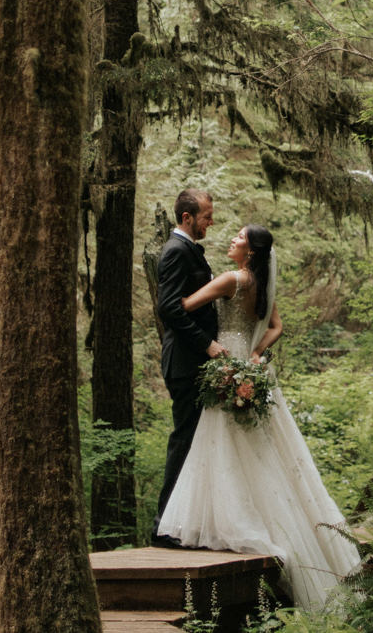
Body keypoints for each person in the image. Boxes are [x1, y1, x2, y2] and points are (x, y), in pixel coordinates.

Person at [155, 223, 362, 610]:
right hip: (249, 368)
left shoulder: (233, 279)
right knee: (265, 450)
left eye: (238, 238)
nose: (231, 240)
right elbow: (277, 326)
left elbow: (181, 307)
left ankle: (230, 522)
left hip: (223, 363)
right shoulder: (263, 284)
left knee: (223, 445)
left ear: (249, 251)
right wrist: (254, 353)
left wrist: (218, 343)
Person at [152, 187, 223, 546]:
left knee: (195, 442)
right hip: (185, 362)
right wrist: (208, 345)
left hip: (192, 362)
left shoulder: (189, 250)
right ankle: (163, 525)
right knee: (184, 441)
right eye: (207, 216)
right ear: (187, 218)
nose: (211, 221)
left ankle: (182, 523)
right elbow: (169, 308)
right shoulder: (177, 251)